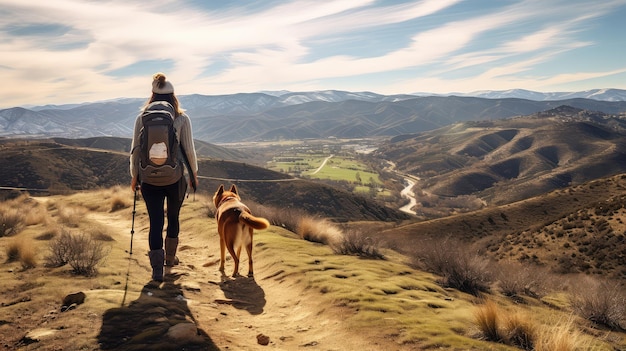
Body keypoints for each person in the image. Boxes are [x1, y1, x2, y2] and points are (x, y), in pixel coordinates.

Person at [130, 72, 198, 282]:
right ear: (173, 95)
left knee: (156, 222)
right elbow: (189, 150)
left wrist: (134, 177)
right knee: (174, 217)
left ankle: (157, 270)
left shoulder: (142, 118)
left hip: (149, 179)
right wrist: (193, 175)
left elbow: (134, 150)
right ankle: (170, 259)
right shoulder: (182, 118)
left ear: (152, 94)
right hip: (175, 178)